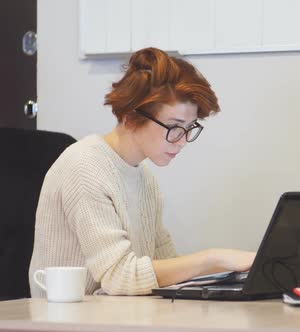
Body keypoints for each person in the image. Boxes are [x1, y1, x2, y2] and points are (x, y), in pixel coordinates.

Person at [28, 47, 255, 297]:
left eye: (190, 128)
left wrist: (233, 275)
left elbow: (165, 265)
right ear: (130, 117)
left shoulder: (144, 176)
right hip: (66, 321)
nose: (181, 141)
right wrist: (215, 258)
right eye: (174, 127)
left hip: (115, 316)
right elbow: (120, 277)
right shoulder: (84, 166)